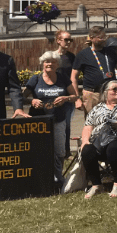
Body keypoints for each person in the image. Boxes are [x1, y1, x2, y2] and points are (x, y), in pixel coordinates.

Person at [24, 51, 77, 188]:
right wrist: (32, 101)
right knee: (39, 149)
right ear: (42, 63)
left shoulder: (63, 78)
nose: (50, 64)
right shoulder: (35, 79)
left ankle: (58, 176)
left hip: (58, 119)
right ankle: (39, 175)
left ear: (57, 64)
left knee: (59, 150)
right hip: (38, 121)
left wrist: (66, 98)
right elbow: (23, 96)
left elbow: (75, 96)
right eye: (47, 61)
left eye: (53, 62)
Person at [79, 81, 117, 199]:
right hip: (98, 142)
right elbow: (88, 126)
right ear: (105, 92)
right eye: (114, 89)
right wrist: (85, 140)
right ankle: (96, 185)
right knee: (87, 149)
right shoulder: (97, 108)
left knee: (114, 147)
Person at [71, 26, 117, 117]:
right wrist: (77, 99)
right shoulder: (82, 55)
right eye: (100, 37)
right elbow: (73, 77)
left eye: (104, 37)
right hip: (91, 94)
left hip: (109, 93)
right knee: (92, 123)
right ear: (92, 38)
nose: (103, 39)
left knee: (112, 121)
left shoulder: (110, 52)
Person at [54, 30, 77, 147]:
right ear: (58, 41)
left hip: (67, 94)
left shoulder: (71, 57)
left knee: (66, 123)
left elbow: (74, 77)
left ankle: (66, 149)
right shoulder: (52, 56)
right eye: (66, 39)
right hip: (53, 93)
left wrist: (76, 97)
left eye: (70, 40)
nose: (68, 42)